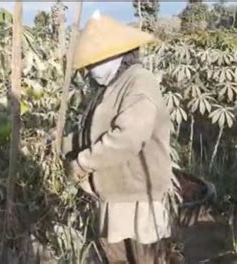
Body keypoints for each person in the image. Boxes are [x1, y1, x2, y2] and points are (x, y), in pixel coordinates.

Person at [62, 11, 180, 264]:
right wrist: (60, 144)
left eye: (94, 63)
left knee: (146, 258)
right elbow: (93, 131)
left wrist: (83, 163)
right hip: (113, 193)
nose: (91, 70)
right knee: (116, 258)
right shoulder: (112, 86)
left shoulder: (139, 82)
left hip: (138, 196)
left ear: (114, 56)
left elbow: (128, 137)